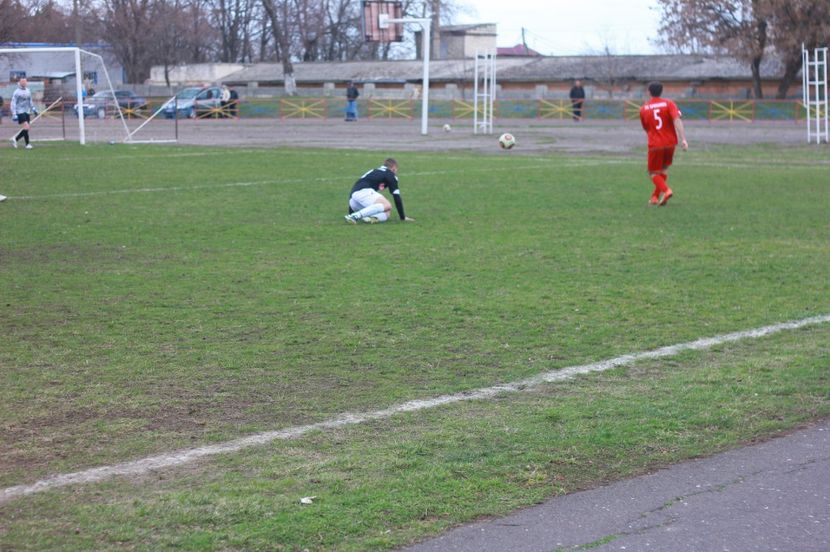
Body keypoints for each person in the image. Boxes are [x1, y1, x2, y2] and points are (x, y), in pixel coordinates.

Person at [639, 81, 688, 206]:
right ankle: (655, 197)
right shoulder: (669, 103)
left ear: (649, 92)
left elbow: (646, 128)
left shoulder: (644, 108)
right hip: (671, 143)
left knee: (653, 173)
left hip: (655, 144)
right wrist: (683, 139)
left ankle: (666, 191)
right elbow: (677, 120)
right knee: (663, 170)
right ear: (662, 91)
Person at [344, 158, 415, 224]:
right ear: (393, 168)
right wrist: (402, 217)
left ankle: (370, 218)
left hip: (353, 200)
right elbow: (396, 197)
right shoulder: (390, 175)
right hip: (364, 192)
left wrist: (350, 210)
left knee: (387, 212)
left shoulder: (374, 170)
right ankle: (355, 216)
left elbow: (356, 188)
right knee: (387, 205)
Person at [10, 78, 36, 149]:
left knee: (26, 128)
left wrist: (33, 108)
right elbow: (13, 103)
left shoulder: (28, 91)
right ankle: (16, 139)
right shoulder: (16, 92)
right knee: (26, 126)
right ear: (20, 82)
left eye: (25, 81)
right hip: (19, 111)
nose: (24, 83)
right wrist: (14, 114)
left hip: (26, 111)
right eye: (22, 82)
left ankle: (26, 144)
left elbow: (30, 100)